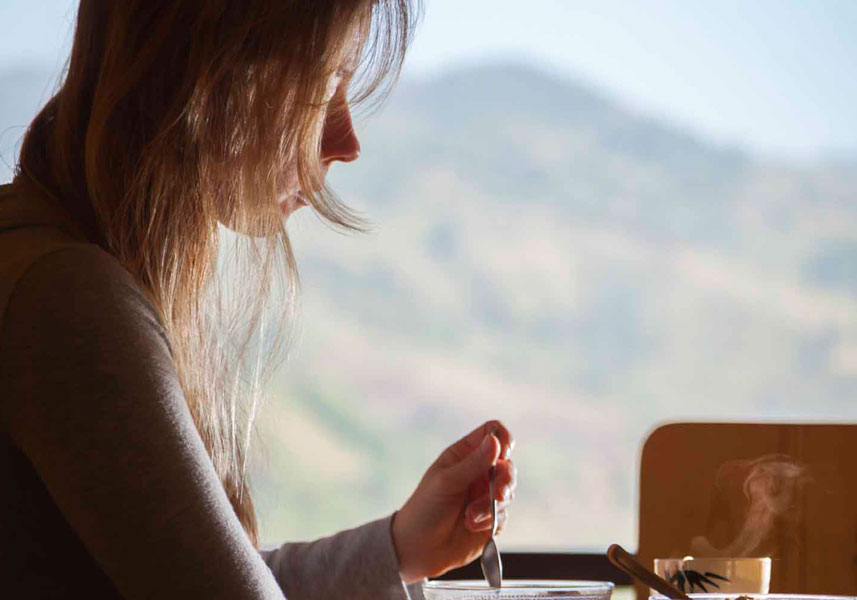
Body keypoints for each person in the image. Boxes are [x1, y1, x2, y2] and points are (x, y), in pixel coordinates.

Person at [0, 1, 517, 599]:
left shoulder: (51, 257)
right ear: (210, 71)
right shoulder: (68, 299)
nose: (346, 141)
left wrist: (396, 549)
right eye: (323, 86)